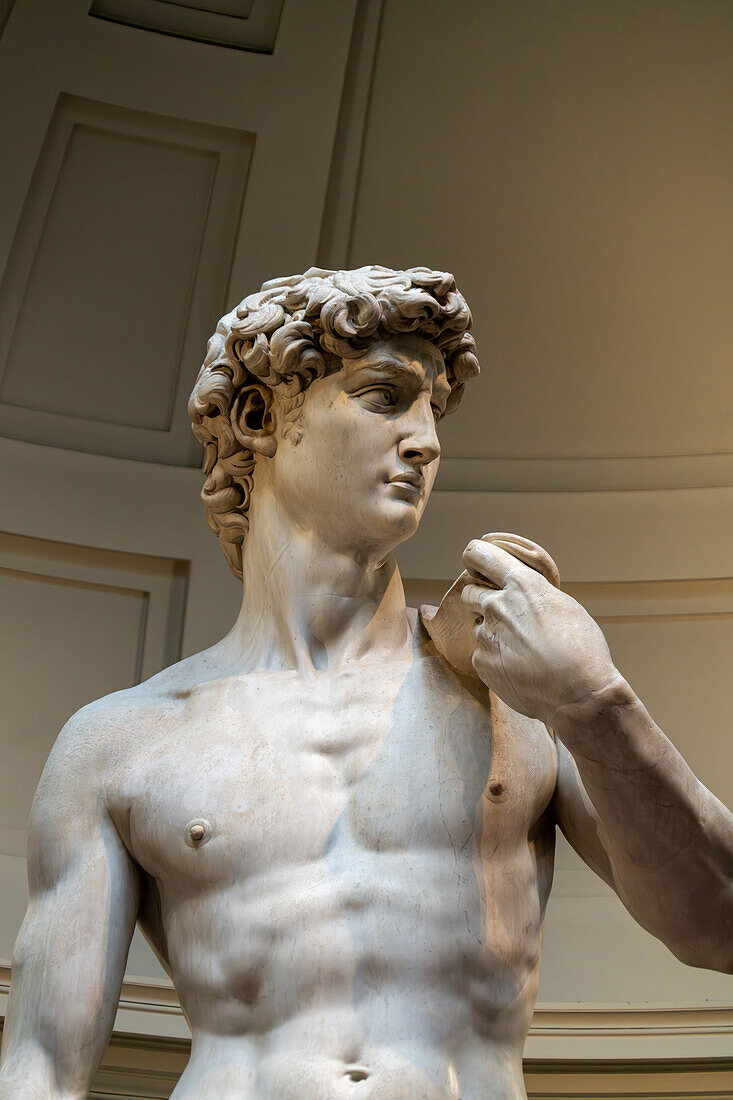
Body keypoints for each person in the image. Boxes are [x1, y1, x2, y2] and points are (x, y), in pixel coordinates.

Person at [0, 266, 730, 1100]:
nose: (425, 439)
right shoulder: (120, 743)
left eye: (433, 409)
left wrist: (596, 703)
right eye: (386, 397)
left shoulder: (518, 688)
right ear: (258, 417)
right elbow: (42, 1071)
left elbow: (720, 925)